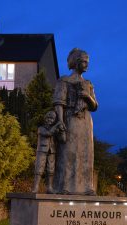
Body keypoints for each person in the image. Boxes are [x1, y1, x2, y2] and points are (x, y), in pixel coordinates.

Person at [53, 48, 98, 195]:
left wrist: (87, 96)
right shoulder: (64, 81)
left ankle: (87, 187)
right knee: (68, 152)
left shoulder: (89, 84)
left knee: (86, 154)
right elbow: (59, 103)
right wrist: (60, 121)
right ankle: (64, 186)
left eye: (87, 62)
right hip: (70, 118)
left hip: (86, 121)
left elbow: (95, 106)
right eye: (84, 61)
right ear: (76, 62)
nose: (86, 65)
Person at [32, 111, 64, 193]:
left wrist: (62, 130)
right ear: (45, 119)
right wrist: (57, 124)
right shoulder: (41, 128)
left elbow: (63, 140)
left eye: (52, 119)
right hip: (41, 151)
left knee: (51, 169)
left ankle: (49, 188)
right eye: (48, 118)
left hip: (51, 151)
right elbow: (48, 133)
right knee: (39, 168)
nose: (50, 120)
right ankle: (35, 188)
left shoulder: (55, 130)